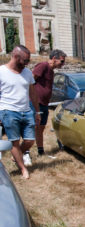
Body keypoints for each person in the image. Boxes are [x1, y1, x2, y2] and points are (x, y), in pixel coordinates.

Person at [0, 45, 40, 179]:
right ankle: (23, 169)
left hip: (26, 111)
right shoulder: (1, 72)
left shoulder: (27, 73)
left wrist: (37, 112)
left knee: (30, 140)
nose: (27, 64)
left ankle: (16, 156)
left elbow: (33, 93)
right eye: (25, 60)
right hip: (8, 111)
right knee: (14, 142)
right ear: (16, 57)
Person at [32, 49, 66, 156]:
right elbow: (30, 81)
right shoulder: (43, 66)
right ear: (54, 58)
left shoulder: (51, 71)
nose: (63, 64)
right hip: (36, 104)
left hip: (44, 104)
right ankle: (25, 152)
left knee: (41, 128)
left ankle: (40, 151)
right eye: (61, 61)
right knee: (33, 128)